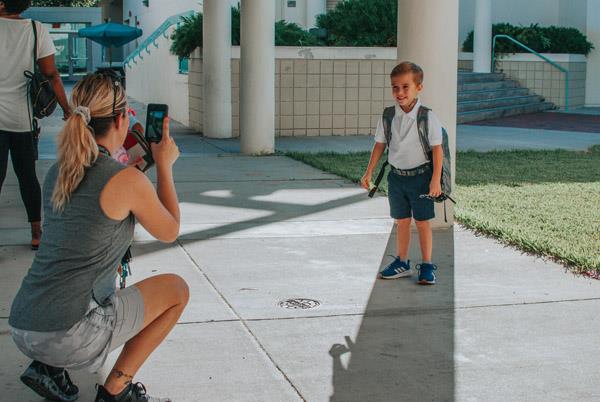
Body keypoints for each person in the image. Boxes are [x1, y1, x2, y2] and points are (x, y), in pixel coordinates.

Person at [9, 72, 188, 402]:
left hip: (22, 324)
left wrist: (137, 170)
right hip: (67, 334)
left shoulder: (59, 172)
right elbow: (170, 230)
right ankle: (115, 391)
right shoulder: (124, 181)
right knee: (177, 289)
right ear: (121, 119)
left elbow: (98, 201)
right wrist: (164, 165)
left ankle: (49, 368)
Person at [360, 61, 444, 285]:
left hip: (421, 178)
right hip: (397, 178)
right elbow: (379, 145)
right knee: (402, 221)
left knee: (423, 221)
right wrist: (368, 172)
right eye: (395, 87)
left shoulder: (427, 117)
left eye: (406, 87)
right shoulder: (388, 116)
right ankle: (402, 262)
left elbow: (438, 150)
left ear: (419, 87)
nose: (400, 92)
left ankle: (426, 265)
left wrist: (435, 180)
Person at [0, 0, 71, 250]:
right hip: (23, 120)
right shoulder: (35, 29)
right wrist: (67, 109)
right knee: (27, 176)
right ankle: (36, 232)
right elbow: (52, 75)